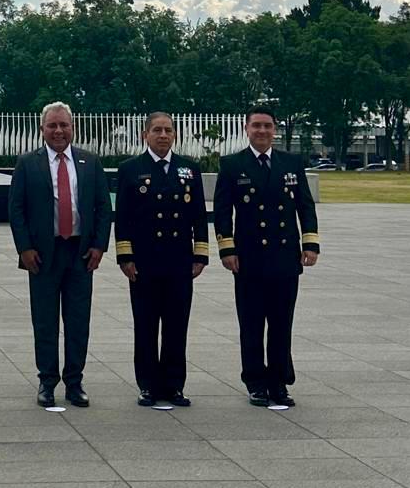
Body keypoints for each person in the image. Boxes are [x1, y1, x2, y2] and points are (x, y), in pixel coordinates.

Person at [213, 105, 319, 408]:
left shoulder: (291, 163)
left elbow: (305, 206)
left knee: (281, 322)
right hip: (249, 259)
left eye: (267, 126)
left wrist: (310, 243)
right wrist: (227, 249)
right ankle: (255, 382)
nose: (262, 131)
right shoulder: (233, 165)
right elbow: (222, 211)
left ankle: (279, 381)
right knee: (251, 323)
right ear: (247, 129)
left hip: (285, 257)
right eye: (256, 125)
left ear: (275, 130)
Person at [8, 101, 112, 408]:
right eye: (52, 125)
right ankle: (47, 380)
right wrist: (24, 248)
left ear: (72, 128)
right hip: (42, 254)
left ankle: (75, 381)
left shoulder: (89, 162)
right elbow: (16, 209)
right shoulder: (28, 163)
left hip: (80, 253)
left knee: (78, 321)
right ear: (42, 130)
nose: (58, 131)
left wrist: (99, 246)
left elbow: (103, 208)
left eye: (63, 125)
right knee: (45, 320)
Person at [115, 112, 208, 408]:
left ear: (175, 135)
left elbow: (198, 218)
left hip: (179, 262)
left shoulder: (189, 170)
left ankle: (174, 385)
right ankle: (148, 385)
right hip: (143, 263)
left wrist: (201, 254)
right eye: (157, 130)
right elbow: (123, 218)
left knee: (176, 325)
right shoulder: (131, 169)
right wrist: (125, 256)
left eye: (168, 130)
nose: (163, 135)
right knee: (145, 326)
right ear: (145, 135)